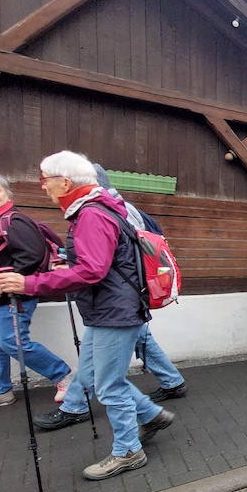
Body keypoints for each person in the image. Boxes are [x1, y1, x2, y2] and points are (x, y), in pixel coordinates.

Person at [0, 151, 175, 481]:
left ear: (65, 182)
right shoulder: (96, 209)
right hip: (109, 310)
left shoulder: (92, 214)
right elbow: (101, 264)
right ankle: (150, 415)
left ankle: (128, 451)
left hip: (113, 312)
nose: (43, 187)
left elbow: (93, 271)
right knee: (97, 377)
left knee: (109, 386)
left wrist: (30, 283)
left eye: (45, 180)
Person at [0, 173, 74, 412]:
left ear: (7, 195)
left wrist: (1, 283)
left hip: (9, 295)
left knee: (13, 342)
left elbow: (32, 255)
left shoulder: (14, 221)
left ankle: (66, 377)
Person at [93, 164, 187, 402]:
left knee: (130, 336)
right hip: (126, 288)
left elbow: (123, 253)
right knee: (138, 335)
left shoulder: (114, 210)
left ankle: (79, 401)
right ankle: (171, 382)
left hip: (124, 288)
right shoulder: (118, 207)